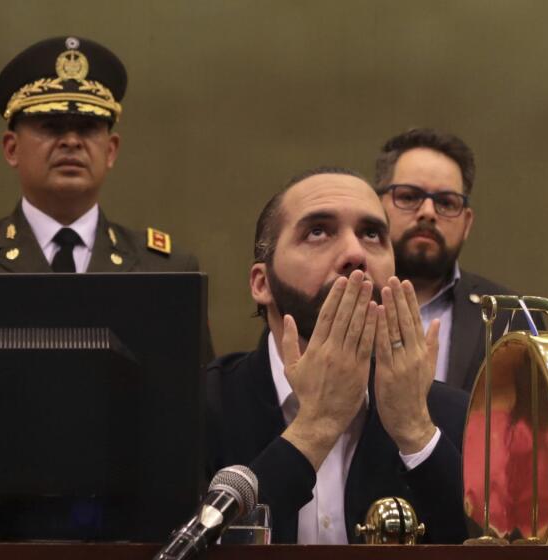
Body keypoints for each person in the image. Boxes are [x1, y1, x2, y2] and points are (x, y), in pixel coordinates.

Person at [207, 167, 468, 544]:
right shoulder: (200, 408)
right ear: (261, 283)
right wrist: (315, 427)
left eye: (372, 234)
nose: (355, 254)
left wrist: (416, 432)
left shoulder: (451, 417)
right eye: (318, 232)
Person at [0, 36, 197, 274]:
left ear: (111, 151)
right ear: (11, 148)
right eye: (52, 127)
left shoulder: (166, 270)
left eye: (88, 128)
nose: (71, 141)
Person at [375, 128, 523, 393]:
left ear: (466, 223)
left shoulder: (509, 317)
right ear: (376, 208)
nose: (428, 213)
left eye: (446, 203)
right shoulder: (335, 297)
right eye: (409, 197)